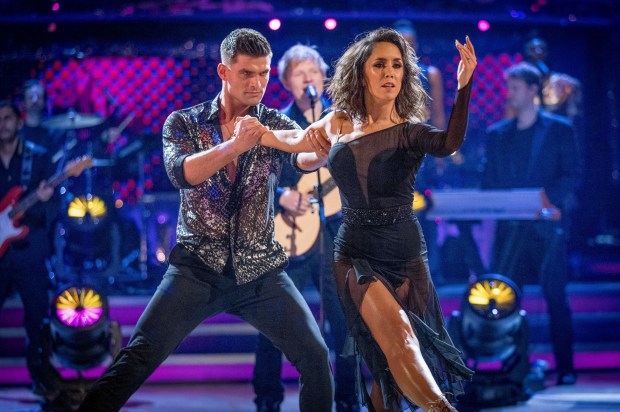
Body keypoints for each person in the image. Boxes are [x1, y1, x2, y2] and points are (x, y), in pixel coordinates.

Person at [77, 28, 334, 412]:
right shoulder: (183, 122)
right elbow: (183, 173)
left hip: (261, 270)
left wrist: (323, 148)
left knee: (316, 359)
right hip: (197, 269)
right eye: (247, 73)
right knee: (136, 360)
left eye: (263, 73)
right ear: (223, 72)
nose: (257, 82)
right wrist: (236, 144)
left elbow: (302, 155)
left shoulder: (274, 120)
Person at [245, 27, 477, 411]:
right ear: (362, 73)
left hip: (404, 252)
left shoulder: (409, 131)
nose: (389, 72)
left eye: (397, 65)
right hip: (354, 251)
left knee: (392, 361)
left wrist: (463, 85)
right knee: (400, 338)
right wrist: (257, 135)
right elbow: (297, 147)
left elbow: (450, 142)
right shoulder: (338, 121)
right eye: (380, 64)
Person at [252, 44, 357, 412]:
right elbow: (258, 179)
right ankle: (267, 398)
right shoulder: (276, 124)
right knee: (275, 317)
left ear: (323, 77)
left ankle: (347, 399)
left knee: (343, 320)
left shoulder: (341, 120)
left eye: (313, 71)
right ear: (286, 82)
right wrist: (281, 196)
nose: (308, 78)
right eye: (299, 73)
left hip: (333, 232)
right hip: (291, 235)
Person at [482, 62, 580, 386]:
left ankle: (565, 368)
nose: (509, 94)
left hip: (545, 230)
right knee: (509, 299)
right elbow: (490, 182)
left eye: (515, 87)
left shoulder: (559, 129)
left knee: (554, 297)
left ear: (533, 90)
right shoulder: (497, 135)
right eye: (508, 87)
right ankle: (516, 367)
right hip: (510, 232)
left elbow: (572, 175)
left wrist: (547, 201)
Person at [0, 100, 56, 398]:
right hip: (1, 252)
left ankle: (40, 376)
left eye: (7, 118)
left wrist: (45, 199)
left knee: (36, 316)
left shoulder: (37, 159)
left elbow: (55, 205)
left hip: (29, 246)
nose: (2, 124)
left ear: (19, 122)